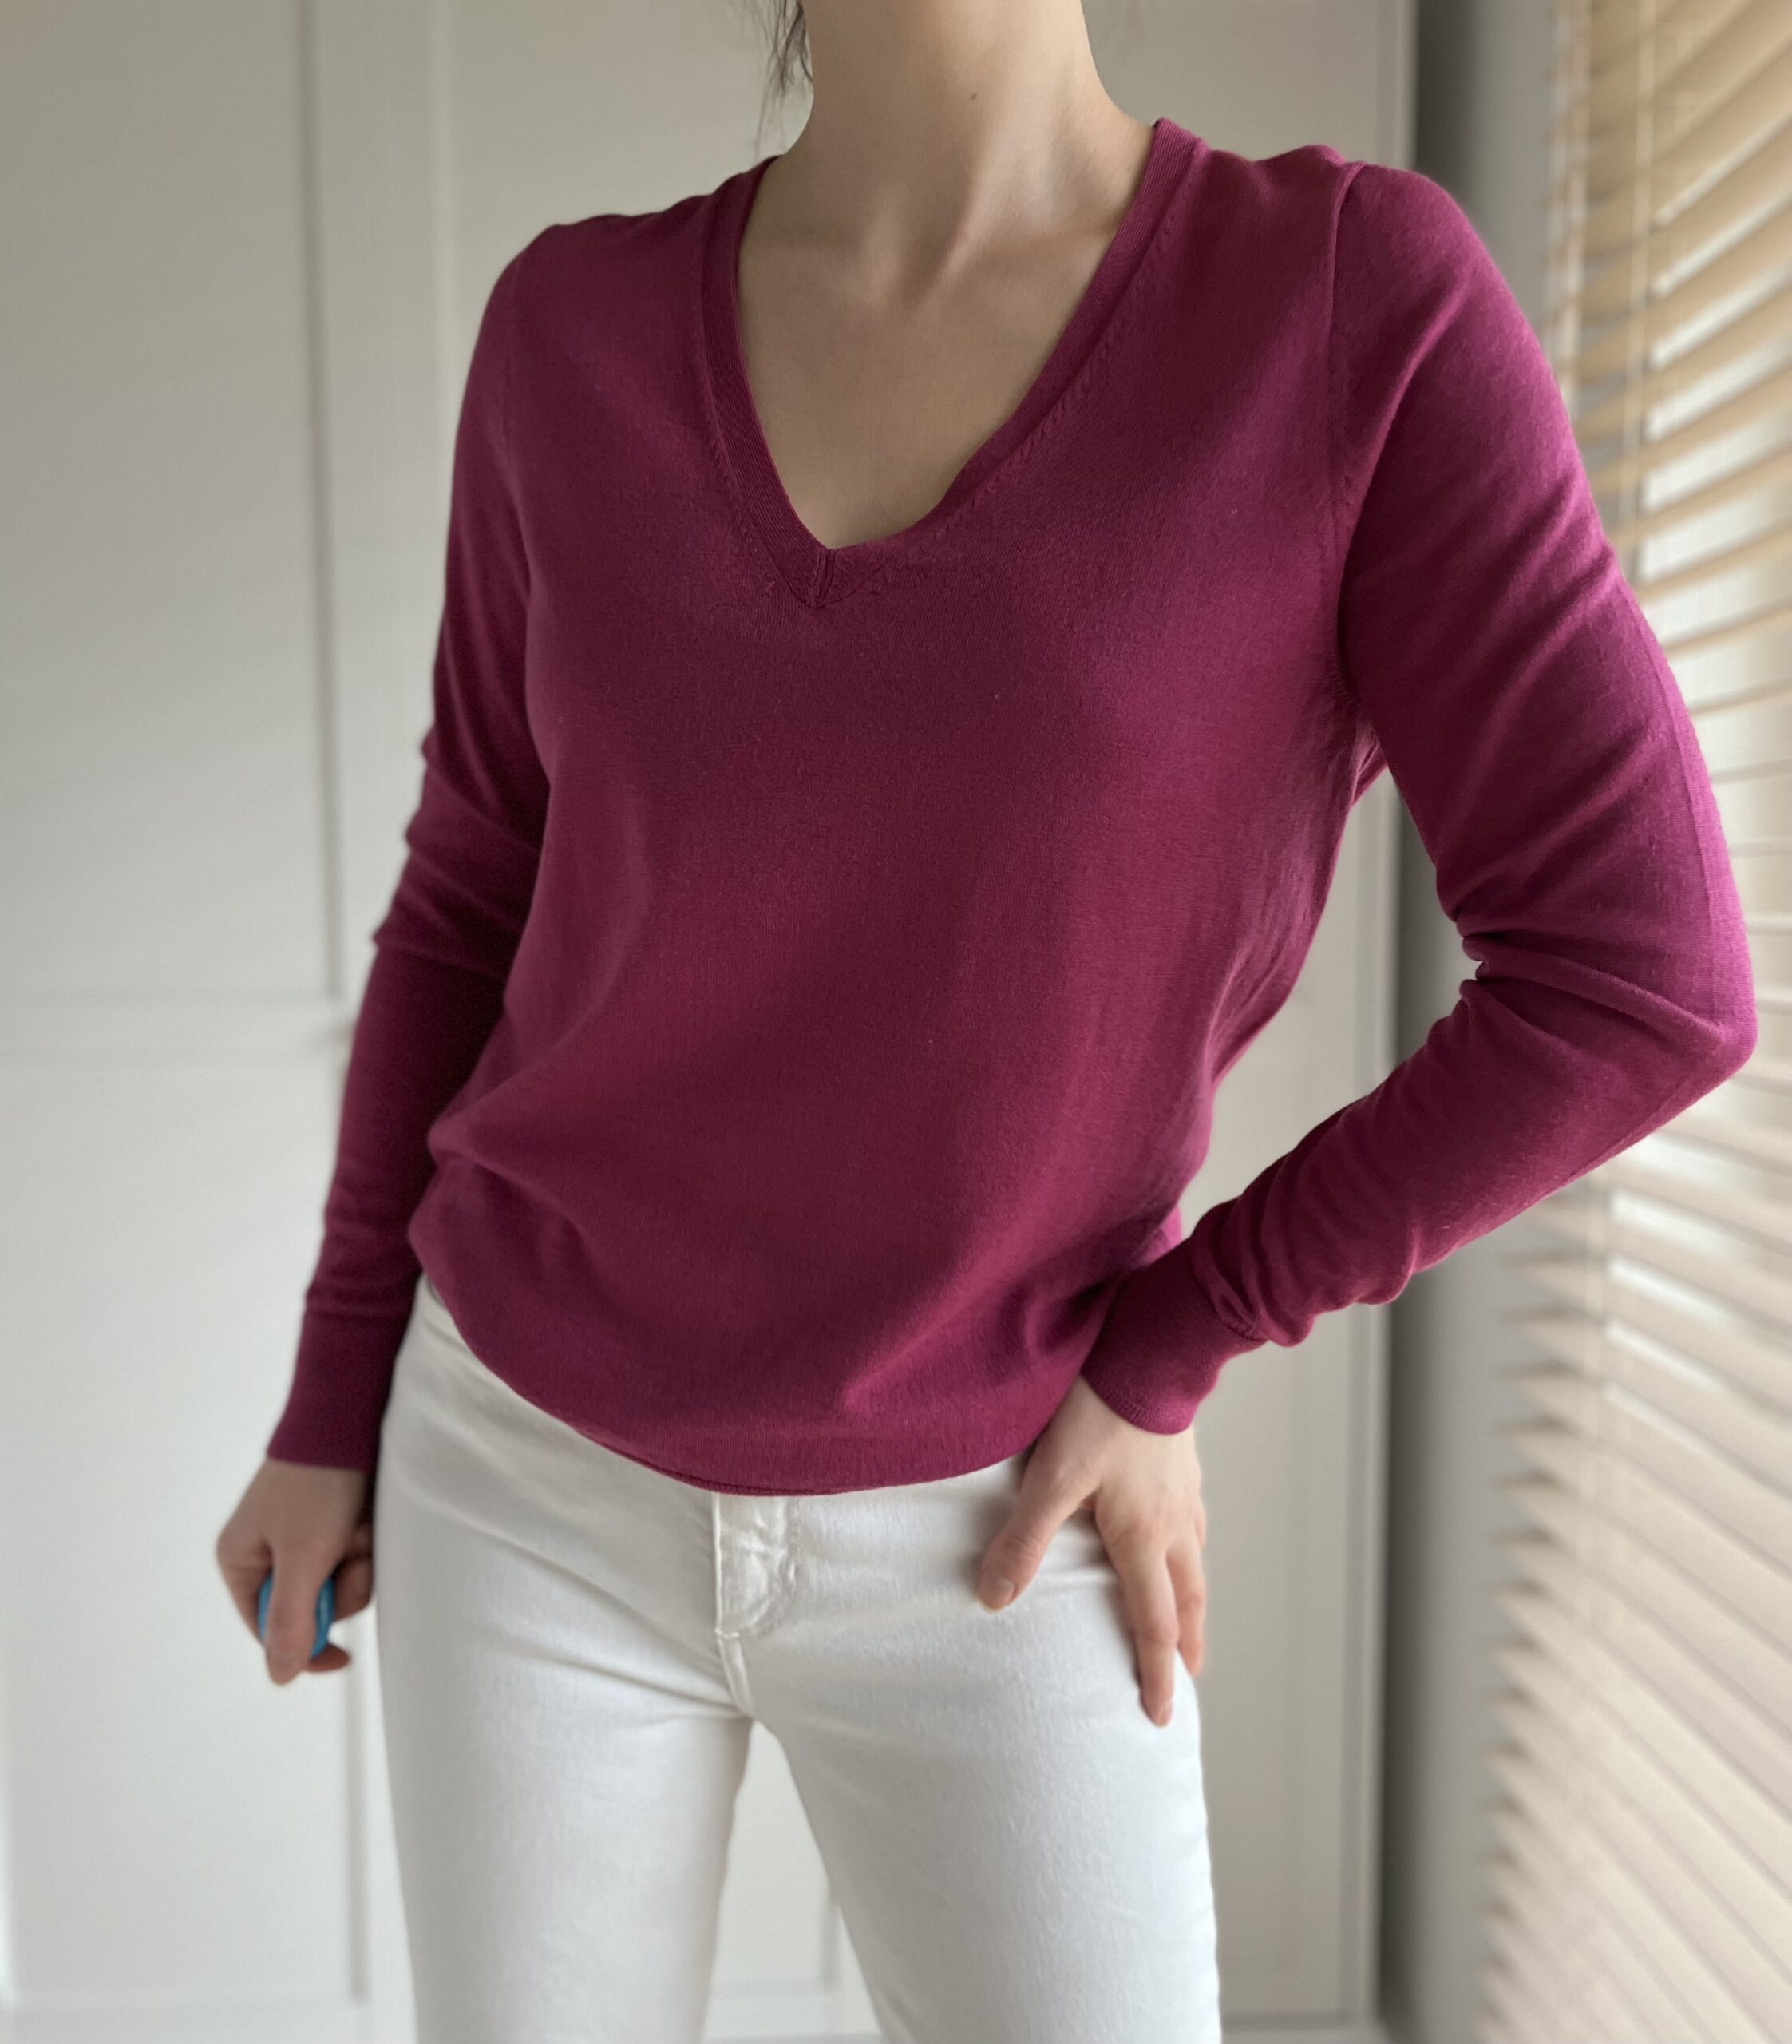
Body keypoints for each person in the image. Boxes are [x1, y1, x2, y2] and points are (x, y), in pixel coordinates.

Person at [213, 2, 1758, 2039]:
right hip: (521, 1469)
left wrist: (1187, 1329)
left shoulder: (1342, 308)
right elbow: (470, 895)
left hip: (1003, 1517)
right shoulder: (564, 333)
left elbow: (1640, 973)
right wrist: (329, 1399)